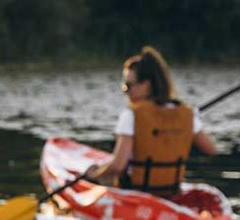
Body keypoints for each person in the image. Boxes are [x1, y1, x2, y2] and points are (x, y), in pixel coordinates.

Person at [85, 46, 218, 194]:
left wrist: (93, 176)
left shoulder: (131, 114)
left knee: (105, 177)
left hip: (136, 194)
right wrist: (182, 131)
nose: (125, 92)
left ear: (147, 85)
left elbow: (118, 166)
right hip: (171, 191)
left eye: (128, 86)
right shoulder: (186, 113)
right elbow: (211, 149)